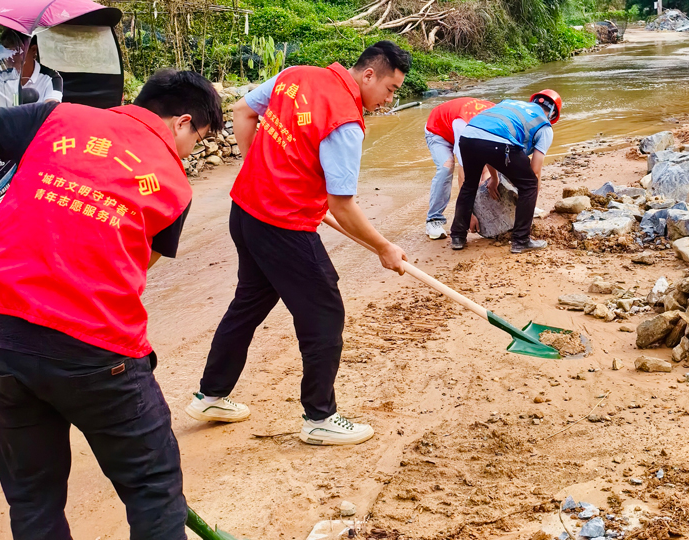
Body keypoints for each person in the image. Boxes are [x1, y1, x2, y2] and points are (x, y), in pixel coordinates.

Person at [0, 69, 252, 540]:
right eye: (196, 137)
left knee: (32, 492)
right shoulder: (174, 185)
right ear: (184, 122)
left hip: (5, 332)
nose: (190, 152)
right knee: (153, 484)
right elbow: (141, 257)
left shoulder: (58, 118)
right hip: (98, 349)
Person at [184, 41, 410, 447]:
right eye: (391, 89)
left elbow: (243, 111)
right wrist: (383, 246)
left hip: (246, 211)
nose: (390, 99)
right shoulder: (345, 122)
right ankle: (320, 418)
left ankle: (211, 396)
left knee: (248, 302)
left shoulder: (298, 74)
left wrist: (260, 170)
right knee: (325, 312)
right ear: (369, 75)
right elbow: (342, 206)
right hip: (282, 225)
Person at [449, 90, 562, 254]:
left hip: (468, 136)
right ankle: (521, 240)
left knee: (469, 184)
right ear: (553, 115)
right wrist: (531, 198)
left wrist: (494, 177)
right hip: (496, 140)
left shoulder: (509, 103)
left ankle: (458, 237)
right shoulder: (545, 126)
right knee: (529, 185)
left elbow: (487, 142)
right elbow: (535, 172)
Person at [422, 96, 494, 240]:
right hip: (438, 130)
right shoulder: (464, 126)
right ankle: (434, 220)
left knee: (487, 166)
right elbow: (465, 176)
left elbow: (487, 170)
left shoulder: (498, 116)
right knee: (446, 167)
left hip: (459, 122)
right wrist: (469, 213)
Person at [0, 30, 63, 108]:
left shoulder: (51, 79)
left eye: (16, 52)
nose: (10, 57)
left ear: (33, 50)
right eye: (7, 52)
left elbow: (51, 108)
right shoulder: (0, 78)